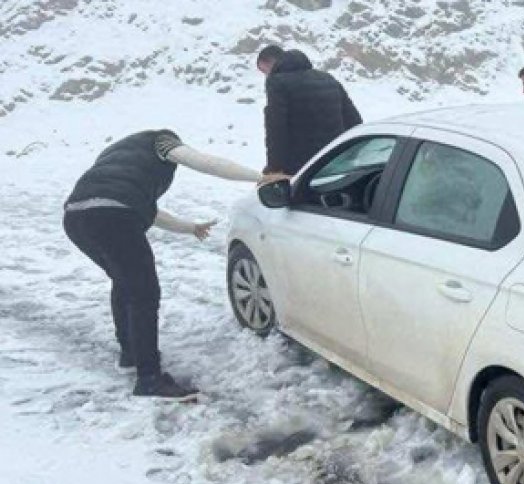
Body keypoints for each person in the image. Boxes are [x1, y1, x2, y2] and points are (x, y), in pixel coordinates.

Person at [64, 130, 260, 399]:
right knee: (144, 293)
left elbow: (141, 207)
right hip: (113, 216)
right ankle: (149, 379)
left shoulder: (112, 157)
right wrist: (261, 177)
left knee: (125, 281)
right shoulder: (161, 140)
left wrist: (190, 228)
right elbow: (205, 163)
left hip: (75, 218)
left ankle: (130, 353)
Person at [257, 46, 362, 175]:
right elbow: (354, 120)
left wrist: (274, 168)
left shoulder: (277, 82)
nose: (267, 75)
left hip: (304, 168)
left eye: (264, 70)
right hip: (336, 162)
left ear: (271, 62)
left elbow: (276, 128)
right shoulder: (328, 78)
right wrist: (351, 156)